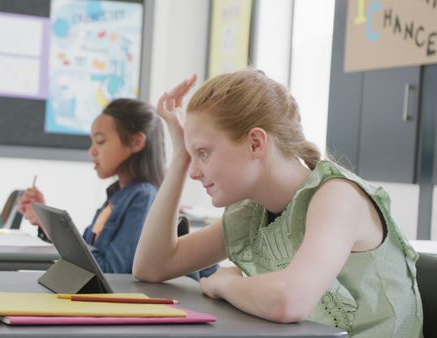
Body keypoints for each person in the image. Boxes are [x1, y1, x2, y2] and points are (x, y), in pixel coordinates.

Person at [133, 69, 423, 337]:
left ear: (256, 143)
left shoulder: (337, 197)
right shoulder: (251, 213)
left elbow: (289, 301)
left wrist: (225, 283)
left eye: (204, 153)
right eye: (191, 156)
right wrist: (181, 158)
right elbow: (152, 266)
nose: (195, 172)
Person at [19, 98, 165, 274]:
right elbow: (84, 252)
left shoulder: (143, 197)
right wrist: (46, 223)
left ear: (136, 142)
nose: (92, 151)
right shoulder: (118, 194)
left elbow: (110, 271)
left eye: (101, 141)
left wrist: (53, 229)